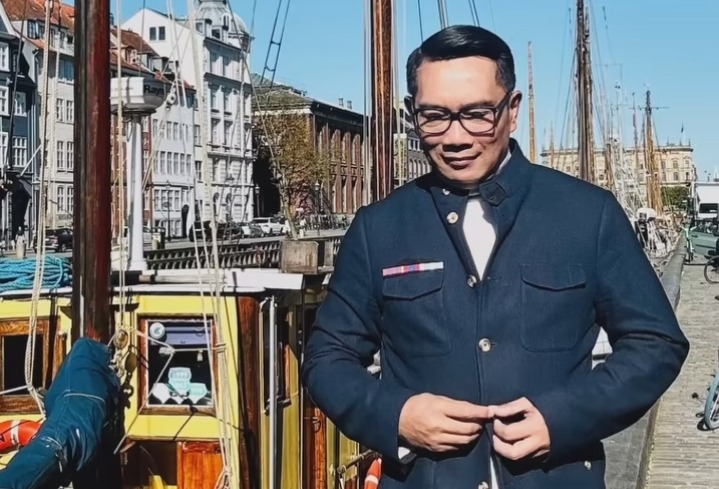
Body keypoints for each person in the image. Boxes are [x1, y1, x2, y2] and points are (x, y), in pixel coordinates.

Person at [302, 25, 689, 489]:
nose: (456, 136)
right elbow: (327, 358)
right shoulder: (378, 229)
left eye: (477, 114)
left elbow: (656, 342)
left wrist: (563, 418)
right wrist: (398, 415)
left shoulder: (588, 215)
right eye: (434, 116)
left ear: (513, 110)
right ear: (412, 113)